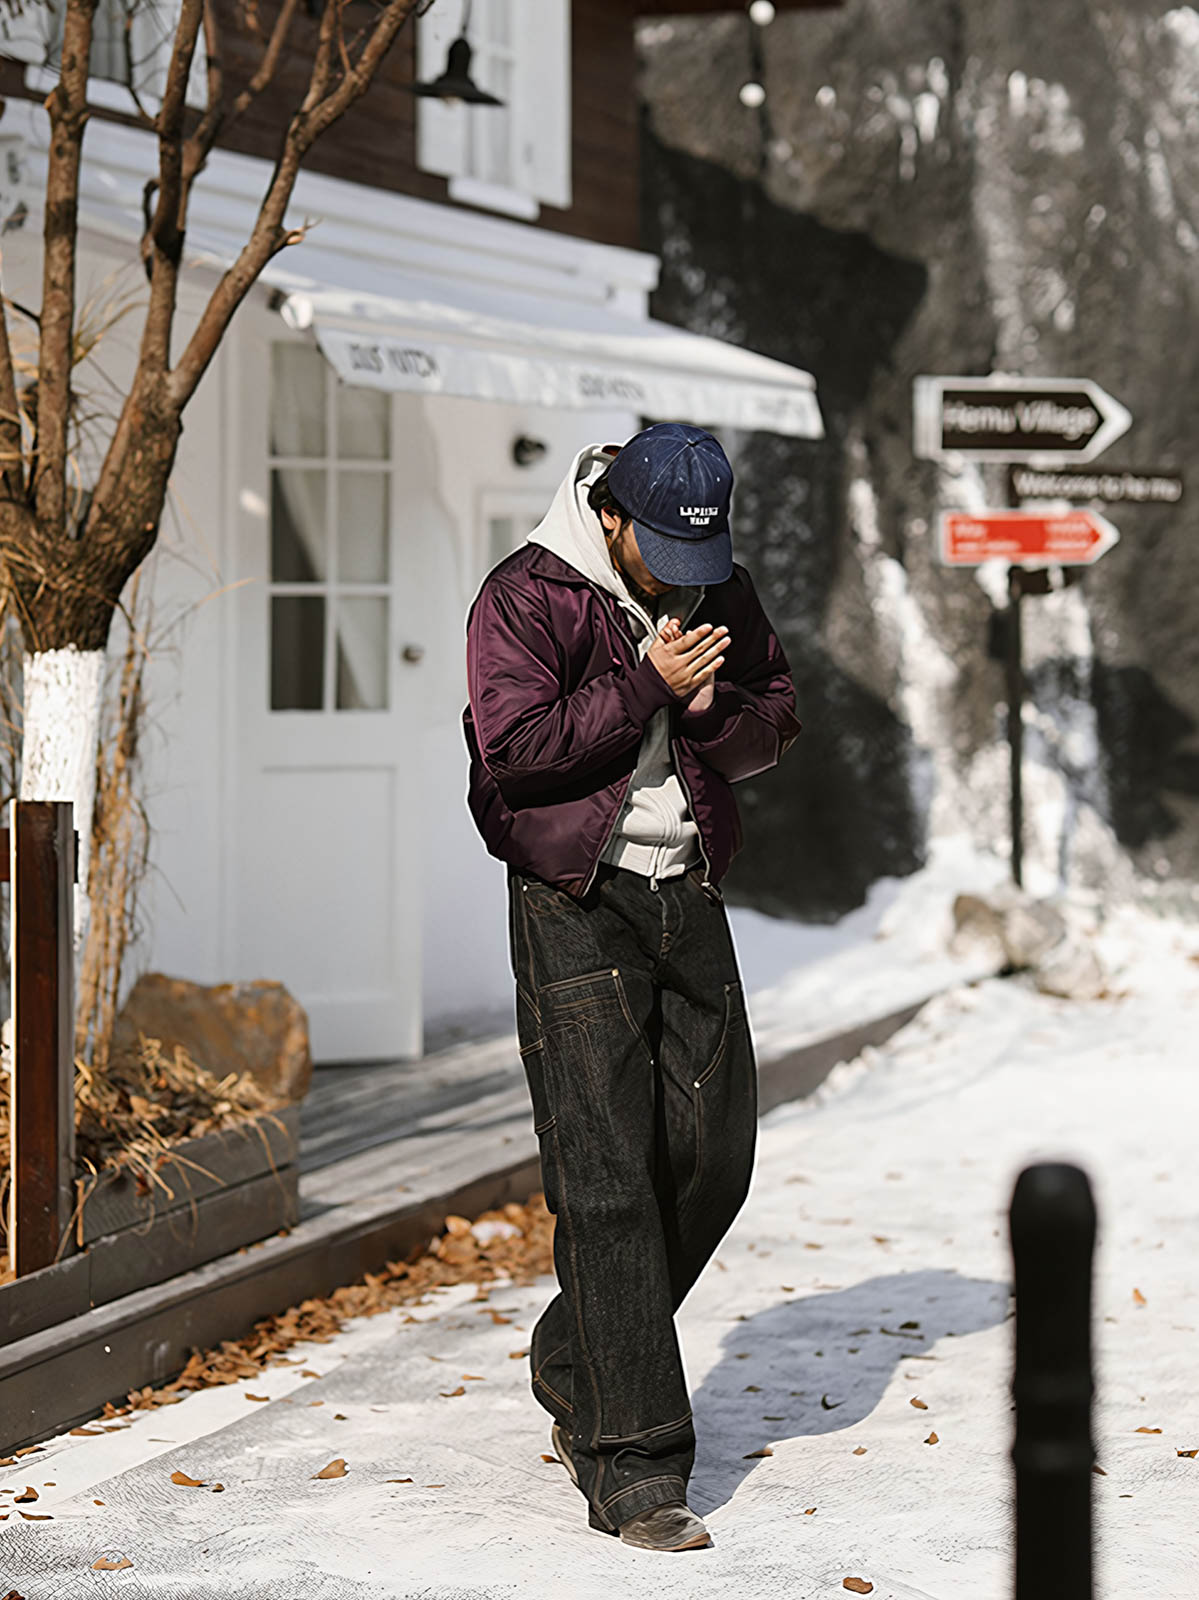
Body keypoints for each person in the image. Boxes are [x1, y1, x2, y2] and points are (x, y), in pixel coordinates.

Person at [461, 422, 801, 1551]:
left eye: (703, 555)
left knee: (716, 1151)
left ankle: (575, 1355)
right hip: (573, 899)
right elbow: (517, 753)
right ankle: (633, 1465)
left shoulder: (718, 586)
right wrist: (644, 682)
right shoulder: (524, 596)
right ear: (610, 514)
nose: (689, 579)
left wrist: (710, 714)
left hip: (687, 887)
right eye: (662, 551)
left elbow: (772, 720)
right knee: (605, 1178)